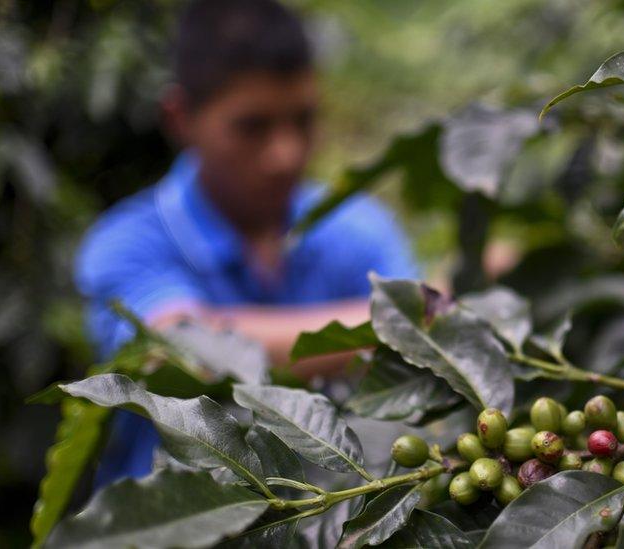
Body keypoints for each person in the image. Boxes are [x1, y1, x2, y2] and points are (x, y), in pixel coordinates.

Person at [75, 0, 418, 488]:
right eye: (252, 126)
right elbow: (179, 348)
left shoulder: (356, 227)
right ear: (179, 118)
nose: (286, 154)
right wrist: (404, 320)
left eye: (302, 120)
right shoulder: (128, 244)